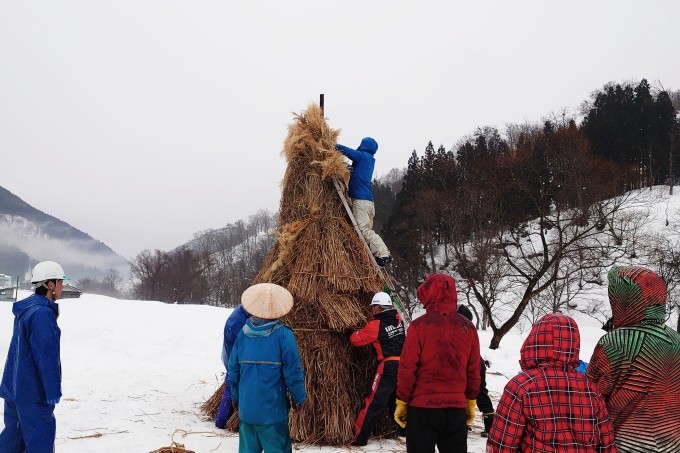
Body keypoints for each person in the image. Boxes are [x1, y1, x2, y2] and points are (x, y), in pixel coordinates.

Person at [487, 313, 618, 453]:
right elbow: (607, 444)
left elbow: (501, 445)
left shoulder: (521, 386)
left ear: (534, 340)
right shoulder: (590, 389)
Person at [586, 266, 680, 453]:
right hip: (672, 442)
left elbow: (590, 396)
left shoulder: (615, 342)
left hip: (625, 443)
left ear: (624, 299)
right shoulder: (676, 340)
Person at [394, 273, 480, 452]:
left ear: (428, 294)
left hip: (422, 409)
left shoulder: (419, 327)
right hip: (455, 410)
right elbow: (473, 370)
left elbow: (407, 368)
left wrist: (402, 401)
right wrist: (470, 400)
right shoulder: (468, 328)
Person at [228, 283, 306, 453]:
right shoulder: (284, 334)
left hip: (247, 412)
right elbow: (293, 372)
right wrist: (299, 398)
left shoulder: (243, 334)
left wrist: (235, 397)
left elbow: (233, 371)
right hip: (273, 413)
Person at [0, 261, 67, 452]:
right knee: (40, 444)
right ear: (50, 285)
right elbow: (46, 356)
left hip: (15, 390)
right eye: (60, 282)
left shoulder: (27, 310)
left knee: (12, 443)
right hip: (34, 394)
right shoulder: (42, 314)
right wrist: (53, 392)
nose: (62, 286)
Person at [348, 291, 406, 446]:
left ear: (379, 307)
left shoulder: (376, 325)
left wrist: (353, 331)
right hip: (404, 367)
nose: (373, 310)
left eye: (374, 307)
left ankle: (360, 438)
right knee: (398, 400)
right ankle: (404, 431)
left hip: (387, 367)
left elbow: (356, 340)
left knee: (374, 402)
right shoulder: (399, 320)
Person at [336, 137, 392, 266]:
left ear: (363, 145)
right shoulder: (368, 161)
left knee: (363, 230)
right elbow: (357, 173)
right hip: (367, 202)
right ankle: (380, 254)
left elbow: (347, 151)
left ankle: (383, 254)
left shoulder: (363, 156)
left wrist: (333, 145)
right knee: (366, 231)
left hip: (361, 201)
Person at [457, 304, 495, 437]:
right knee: (475, 393)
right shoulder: (468, 329)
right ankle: (466, 423)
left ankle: (490, 426)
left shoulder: (461, 330)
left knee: (478, 393)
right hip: (475, 363)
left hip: (473, 364)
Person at [215, 304, 251, 428]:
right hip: (236, 357)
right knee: (233, 384)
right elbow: (241, 345)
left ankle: (223, 418)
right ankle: (222, 420)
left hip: (233, 355)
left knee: (232, 383)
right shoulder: (239, 322)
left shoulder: (240, 312)